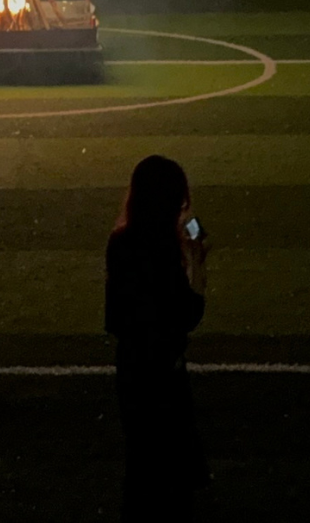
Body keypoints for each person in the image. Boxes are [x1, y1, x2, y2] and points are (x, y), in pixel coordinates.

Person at [105, 155, 209, 522]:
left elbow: (117, 317)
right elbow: (188, 314)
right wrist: (198, 263)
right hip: (164, 370)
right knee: (172, 470)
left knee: (142, 461)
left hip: (131, 367)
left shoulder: (121, 242)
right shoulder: (162, 250)